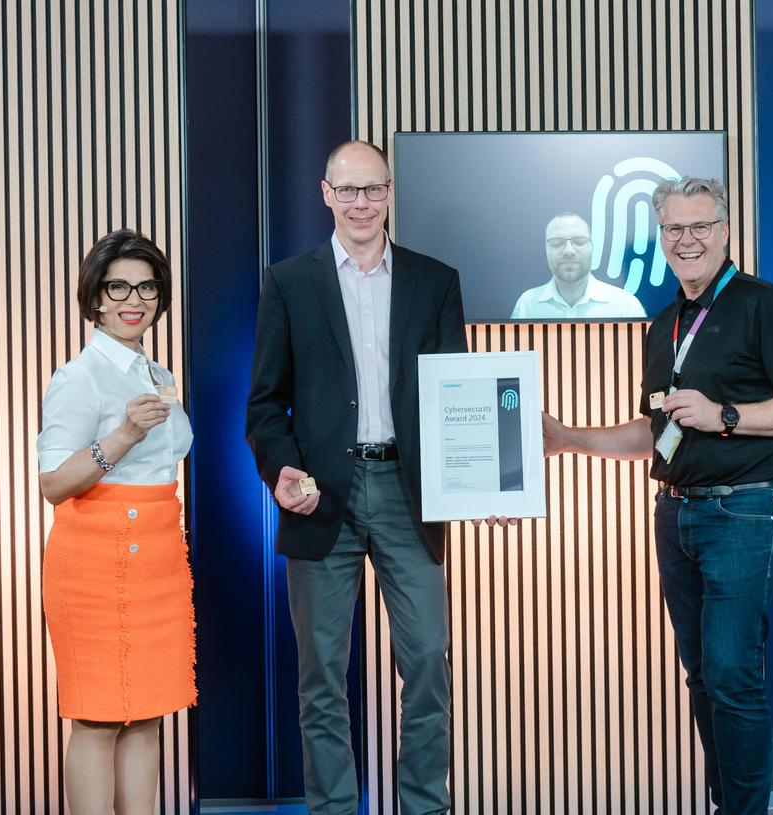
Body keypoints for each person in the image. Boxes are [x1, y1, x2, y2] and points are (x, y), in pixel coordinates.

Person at [542, 177, 773, 814]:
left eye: (700, 226)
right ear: (662, 238)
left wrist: (724, 414)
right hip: (676, 513)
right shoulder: (666, 323)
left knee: (732, 677)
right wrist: (568, 438)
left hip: (746, 511)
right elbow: (659, 430)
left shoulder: (764, 304)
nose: (687, 239)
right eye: (674, 228)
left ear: (725, 232)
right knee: (703, 676)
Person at [246, 140, 470, 815]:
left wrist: (480, 479)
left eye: (372, 189)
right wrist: (280, 466)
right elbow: (264, 403)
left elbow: (452, 394)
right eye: (348, 190)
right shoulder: (289, 281)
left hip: (408, 491)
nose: (361, 202)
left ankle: (425, 806)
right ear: (325, 194)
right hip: (321, 498)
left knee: (429, 662)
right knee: (320, 677)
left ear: (390, 191)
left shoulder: (436, 281)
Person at [36, 229, 195, 815]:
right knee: (99, 718)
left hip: (157, 553)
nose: (135, 298)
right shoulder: (79, 377)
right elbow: (53, 484)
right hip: (97, 557)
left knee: (148, 714)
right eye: (119, 286)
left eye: (147, 286)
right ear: (95, 298)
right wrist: (123, 435)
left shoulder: (153, 372)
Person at [510, 211, 648, 319]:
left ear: (592, 247)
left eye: (579, 241)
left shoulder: (625, 307)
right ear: (546, 248)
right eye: (557, 242)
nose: (568, 251)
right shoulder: (527, 305)